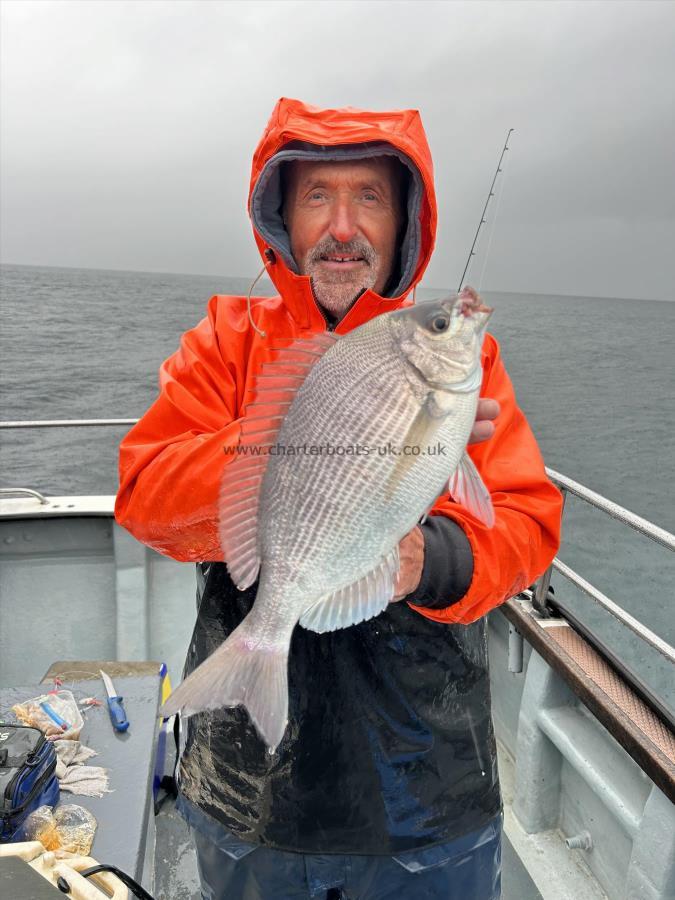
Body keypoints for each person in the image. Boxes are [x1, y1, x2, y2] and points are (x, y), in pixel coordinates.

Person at [115, 97, 563, 900]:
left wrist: (431, 559)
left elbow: (526, 524)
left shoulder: (465, 367)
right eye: (317, 196)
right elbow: (145, 495)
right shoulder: (225, 343)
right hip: (246, 786)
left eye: (370, 197)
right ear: (282, 218)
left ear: (406, 223)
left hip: (428, 792)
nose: (343, 227)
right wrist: (297, 444)